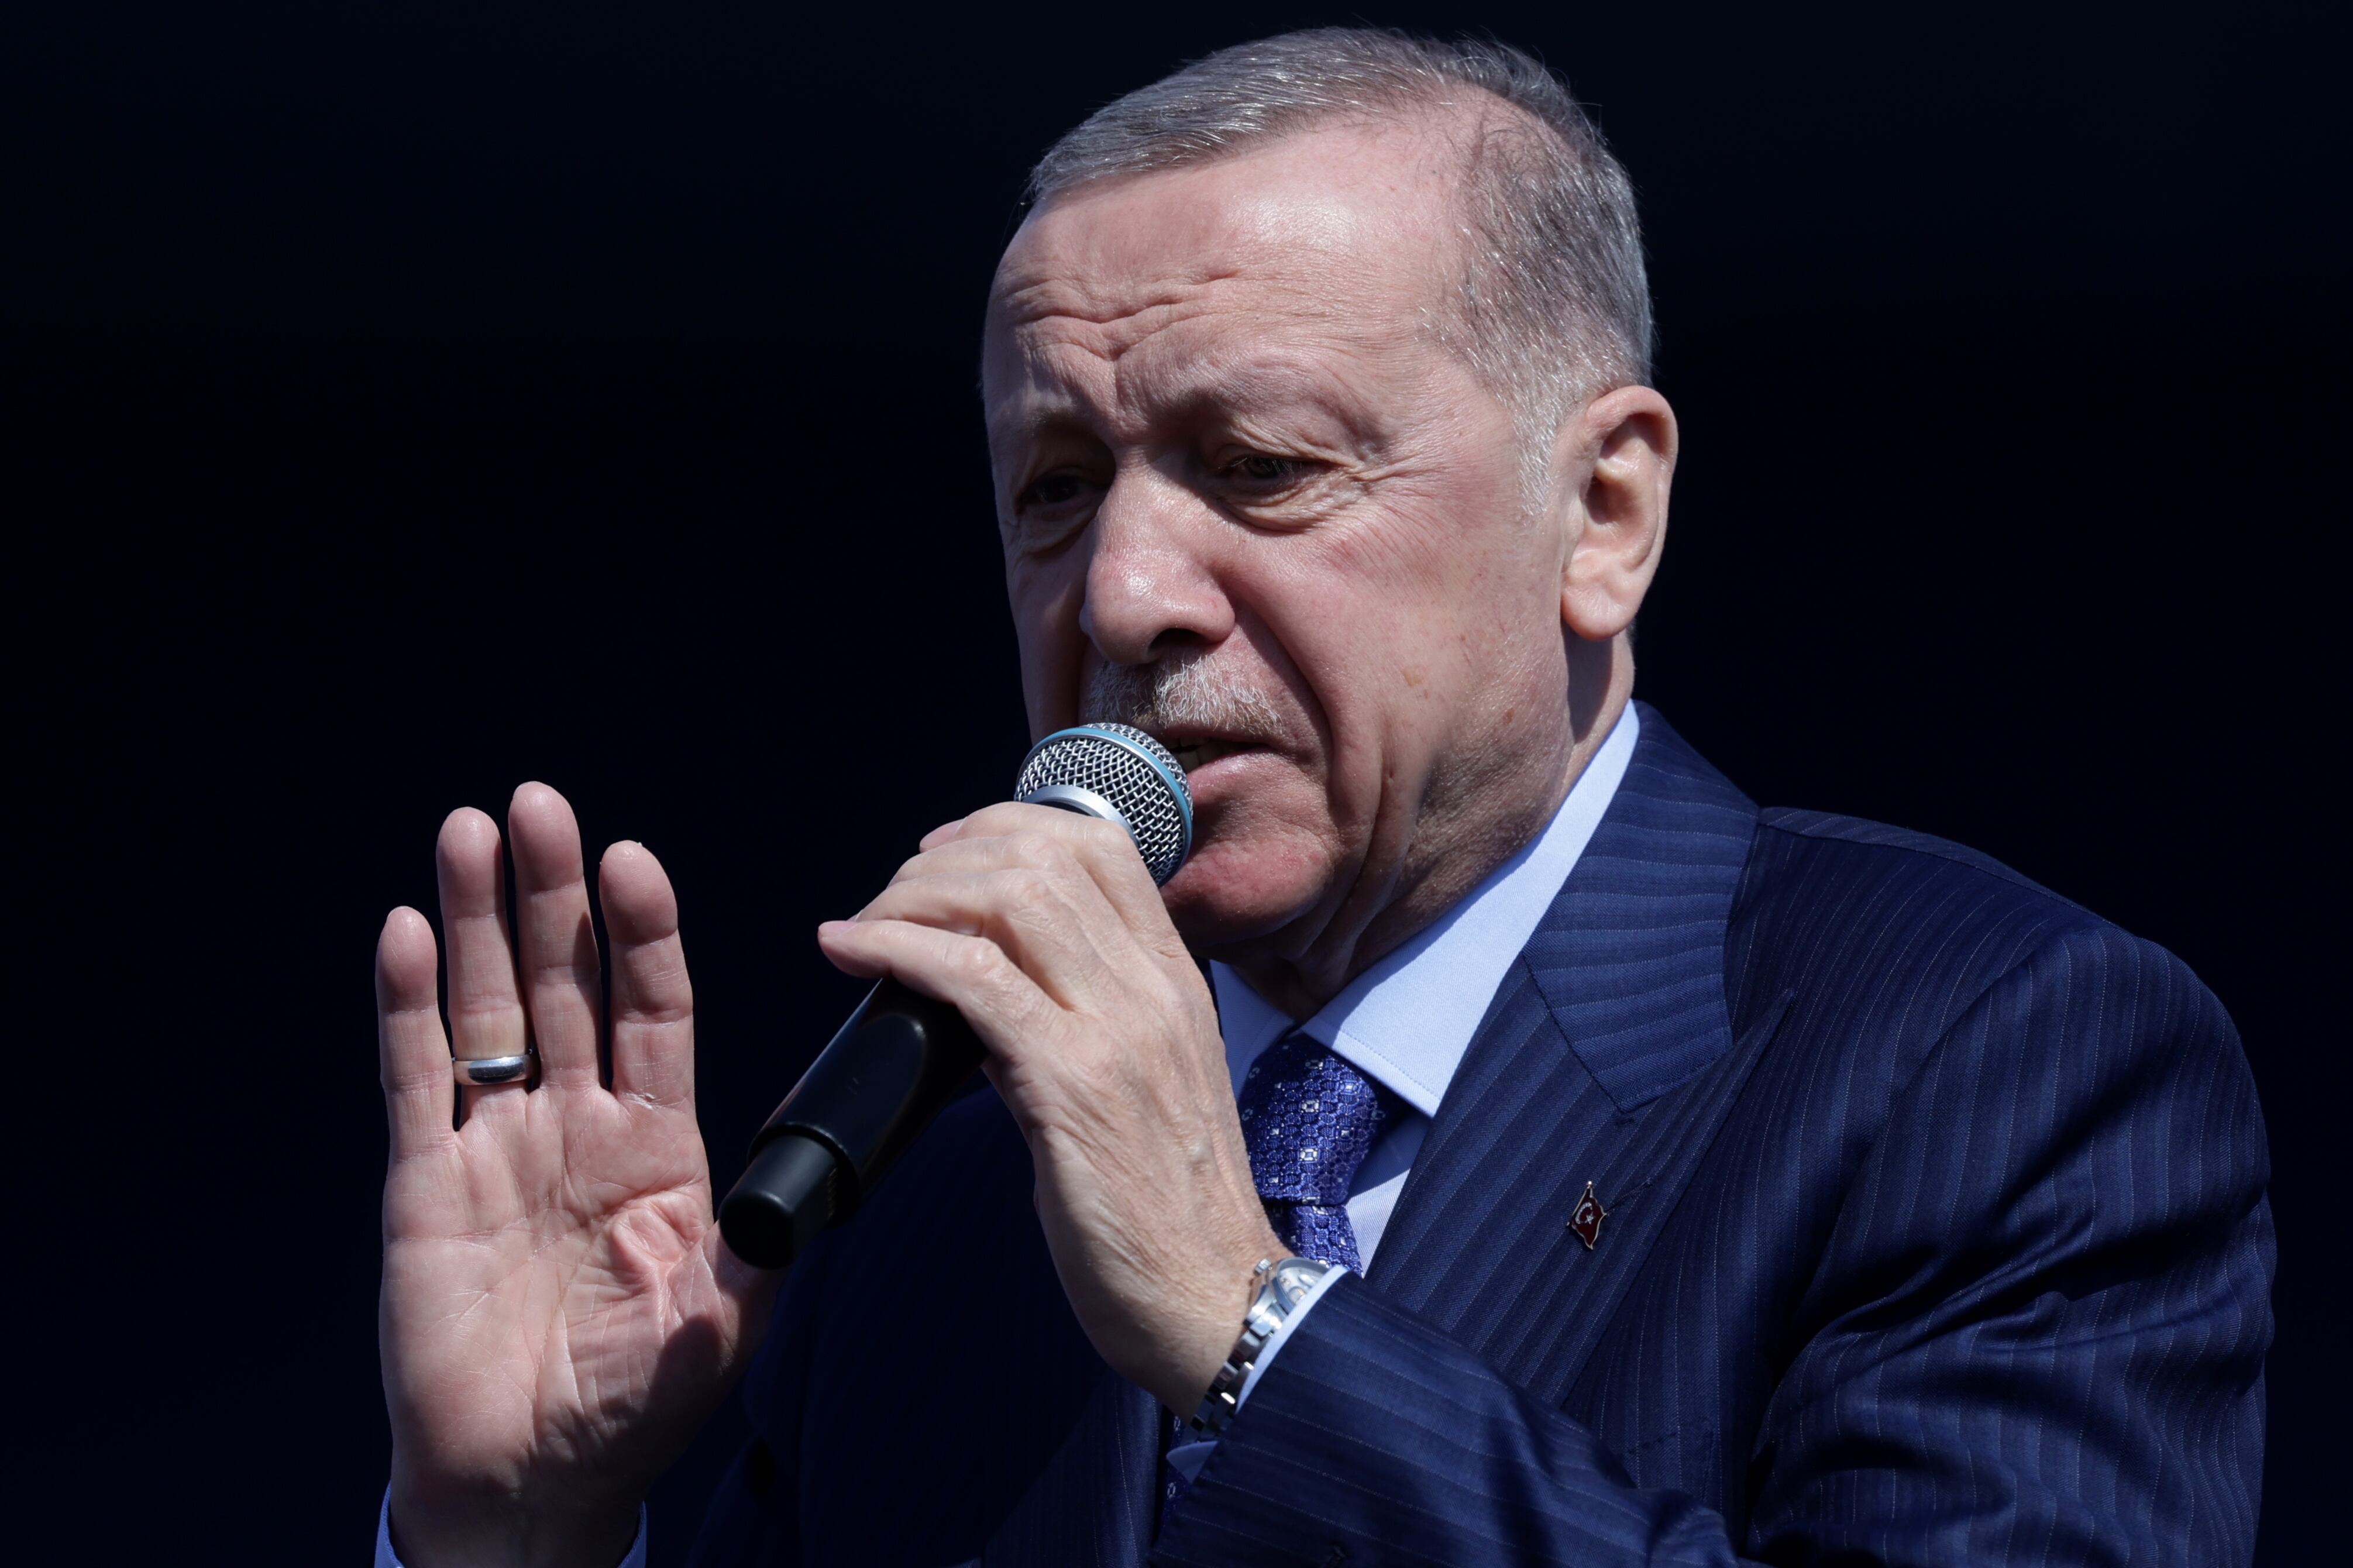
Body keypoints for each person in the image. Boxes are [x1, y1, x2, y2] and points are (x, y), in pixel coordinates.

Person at [370, 30, 2271, 1568]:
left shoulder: (1993, 1060)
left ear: (1602, 514)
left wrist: (1246, 1324)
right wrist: (519, 1538)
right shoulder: (931, 1211)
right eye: (1053, 488)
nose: (1121, 594)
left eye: (1260, 465)